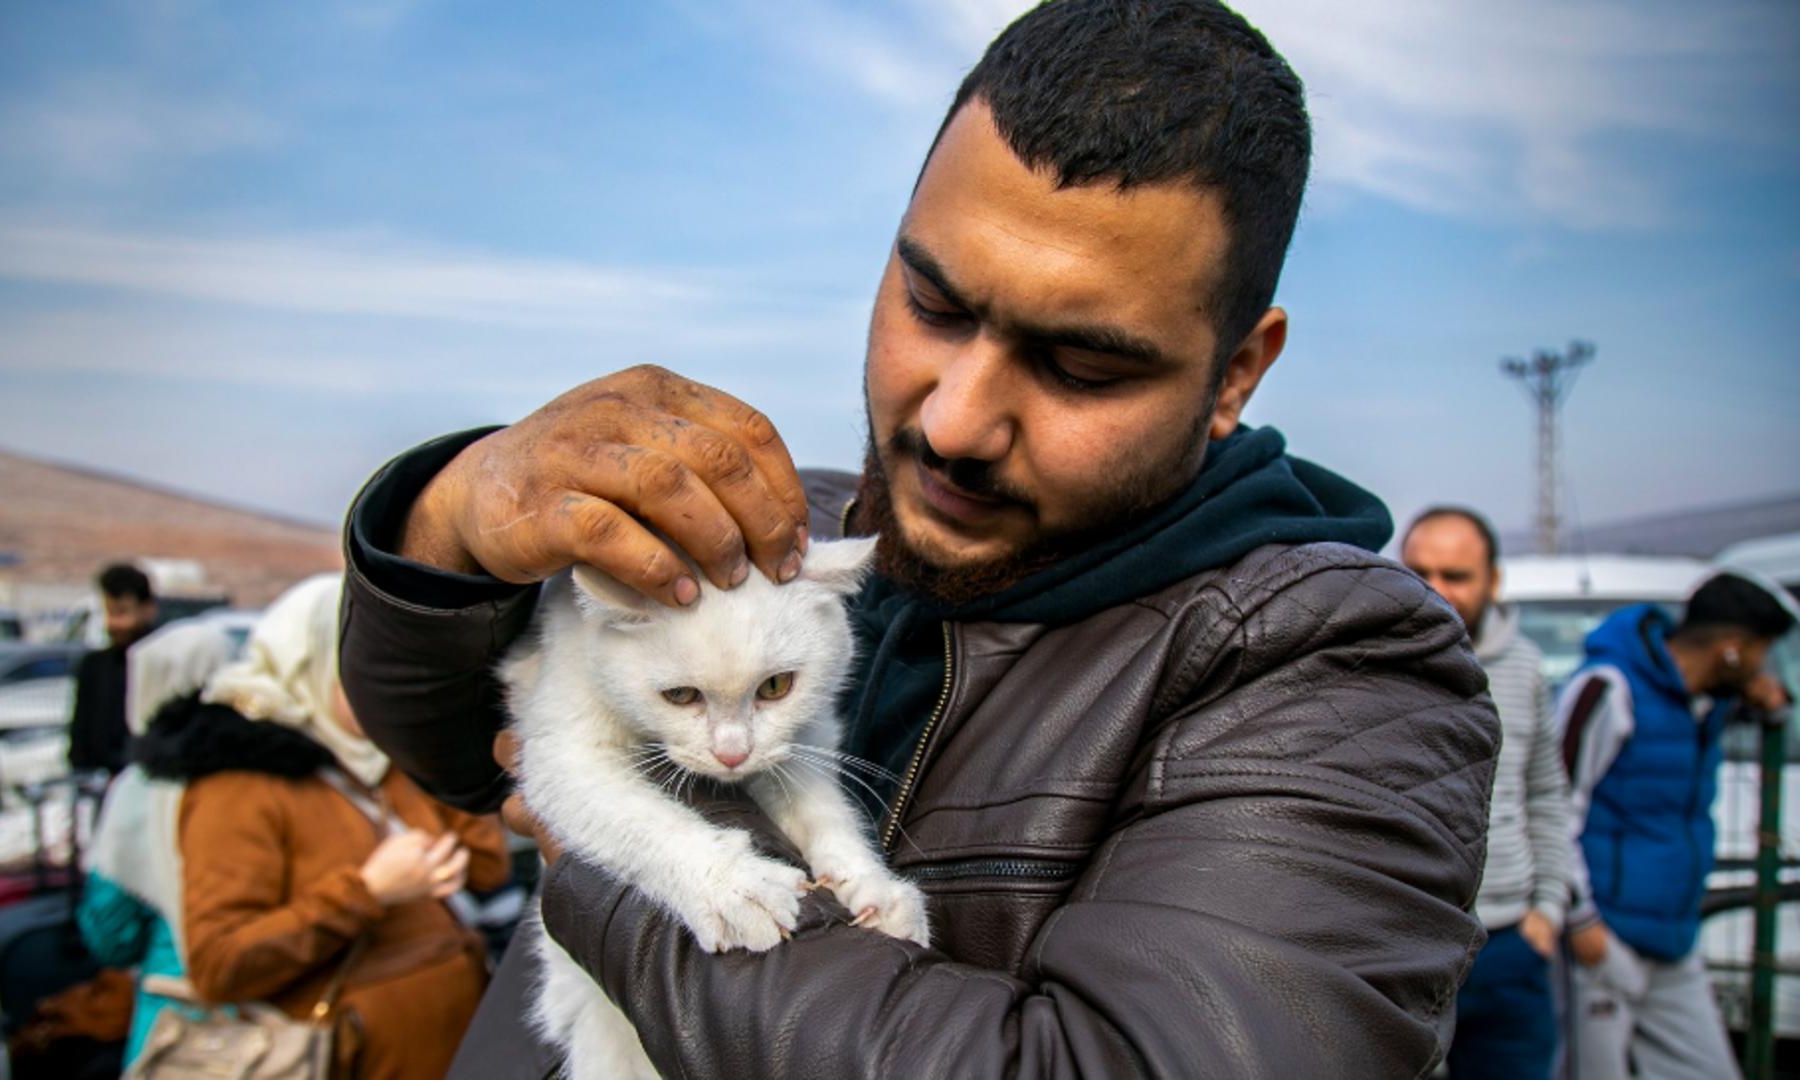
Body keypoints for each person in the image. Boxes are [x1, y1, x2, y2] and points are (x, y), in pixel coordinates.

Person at [340, 2, 1501, 1076]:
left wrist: (623, 863)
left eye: (1080, 365)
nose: (952, 422)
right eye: (933, 305)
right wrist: (451, 519)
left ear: (1235, 372)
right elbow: (451, 747)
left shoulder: (1345, 677)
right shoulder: (802, 526)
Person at [170, 575, 510, 1079]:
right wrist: (368, 893)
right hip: (352, 1058)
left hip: (461, 1049)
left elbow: (487, 869)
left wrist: (446, 746)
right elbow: (220, 965)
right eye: (369, 668)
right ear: (312, 665)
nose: (388, 686)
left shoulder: (382, 757)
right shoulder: (241, 784)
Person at [1557, 573, 1793, 1080]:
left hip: (1672, 940)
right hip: (1603, 939)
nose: (1761, 666)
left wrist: (1771, 703)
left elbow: (1768, 706)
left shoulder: (1704, 701)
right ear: (1730, 650)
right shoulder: (1608, 688)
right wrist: (1580, 922)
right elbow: (1556, 805)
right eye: (1759, 652)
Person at [1402, 507, 1573, 1077]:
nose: (1435, 589)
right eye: (1419, 570)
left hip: (1507, 944)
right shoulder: (1371, 663)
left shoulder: (1524, 668)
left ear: (1493, 582)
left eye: (1456, 575)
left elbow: (1547, 792)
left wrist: (1547, 911)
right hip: (1402, 943)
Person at [76, 620, 236, 1067]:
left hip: (174, 1025)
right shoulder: (282, 775)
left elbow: (111, 935)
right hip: (280, 1028)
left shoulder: (141, 788)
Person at [67, 563, 158, 774]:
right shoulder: (94, 665)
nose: (114, 623)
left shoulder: (162, 664)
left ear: (148, 610)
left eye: (123, 612)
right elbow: (81, 731)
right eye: (109, 612)